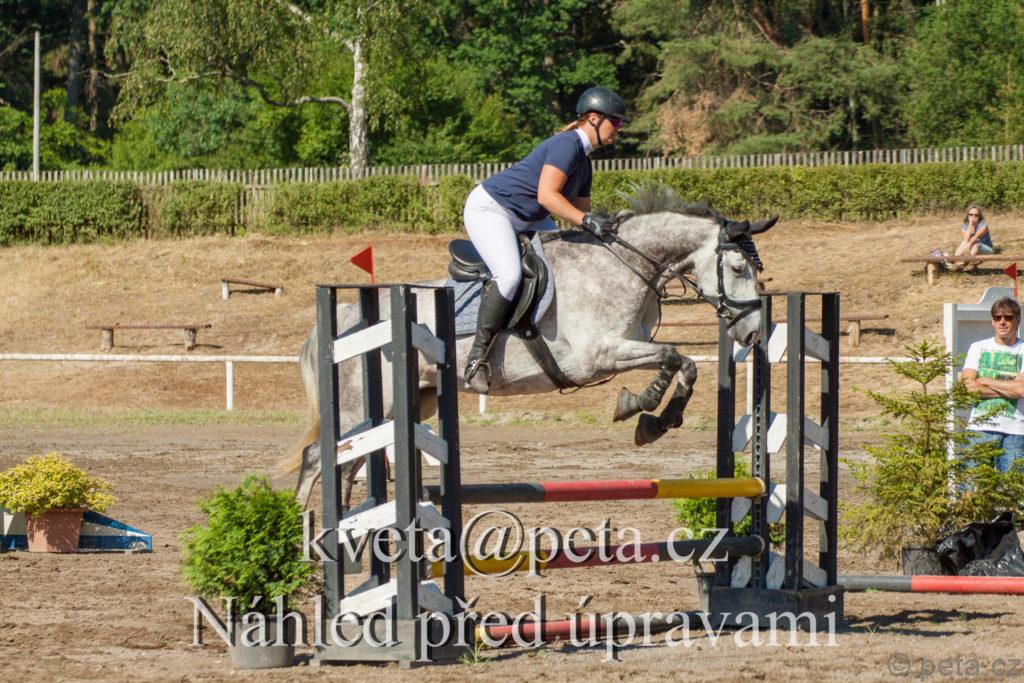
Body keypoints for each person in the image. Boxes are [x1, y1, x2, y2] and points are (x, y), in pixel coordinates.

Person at [460, 86, 628, 392]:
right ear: (593, 118)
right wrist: (585, 220)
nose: (618, 129)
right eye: (615, 122)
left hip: (529, 216)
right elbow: (547, 196)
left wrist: (605, 228)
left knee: (562, 261)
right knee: (509, 275)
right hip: (492, 209)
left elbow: (581, 214)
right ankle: (476, 359)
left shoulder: (584, 162)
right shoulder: (566, 145)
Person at [961, 296, 1024, 473]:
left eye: (1008, 317)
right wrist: (1011, 386)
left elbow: (1021, 390)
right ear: (992, 321)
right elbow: (968, 387)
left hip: (1015, 431)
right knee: (971, 485)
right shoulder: (977, 347)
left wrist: (985, 380)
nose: (1002, 322)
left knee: (1013, 487)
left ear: (1017, 321)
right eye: (997, 317)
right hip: (979, 429)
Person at [952, 204, 993, 271]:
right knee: (963, 242)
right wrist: (970, 225)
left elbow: (975, 237)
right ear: (968, 215)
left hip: (986, 249)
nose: (973, 216)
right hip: (970, 248)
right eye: (971, 214)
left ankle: (965, 262)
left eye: (976, 215)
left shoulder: (983, 225)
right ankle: (957, 262)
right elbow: (966, 239)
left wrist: (966, 249)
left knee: (975, 243)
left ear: (979, 216)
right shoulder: (965, 226)